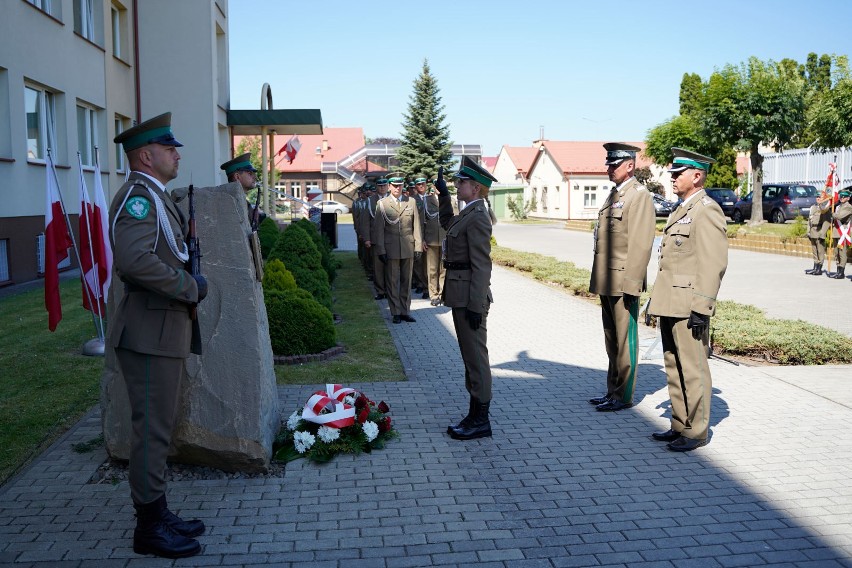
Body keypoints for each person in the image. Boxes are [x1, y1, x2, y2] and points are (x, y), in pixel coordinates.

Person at [110, 113, 207, 557]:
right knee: (151, 430)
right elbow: (134, 261)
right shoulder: (138, 199)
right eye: (170, 149)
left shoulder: (156, 196)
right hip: (150, 330)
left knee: (159, 428)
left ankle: (158, 509)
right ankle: (148, 529)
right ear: (146, 156)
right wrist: (189, 287)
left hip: (162, 329)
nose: (177, 154)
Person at [649, 147, 728, 452]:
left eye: (677, 174)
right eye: (672, 173)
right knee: (673, 365)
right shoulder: (681, 208)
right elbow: (668, 263)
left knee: (693, 369)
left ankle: (696, 432)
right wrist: (654, 302)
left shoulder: (706, 209)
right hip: (670, 302)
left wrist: (702, 306)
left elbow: (713, 262)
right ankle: (679, 423)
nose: (672, 178)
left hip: (689, 305)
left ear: (696, 176)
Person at [588, 143, 655, 412]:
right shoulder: (615, 195)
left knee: (625, 340)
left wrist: (632, 283)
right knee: (611, 339)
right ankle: (611, 390)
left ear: (630, 165)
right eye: (608, 164)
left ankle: (623, 395)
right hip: (607, 279)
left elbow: (641, 244)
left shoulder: (638, 196)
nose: (609, 169)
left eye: (614, 164)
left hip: (623, 281)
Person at [436, 157, 497, 441]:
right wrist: (444, 196)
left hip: (469, 298)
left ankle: (480, 419)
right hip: (460, 294)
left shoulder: (479, 217)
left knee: (476, 359)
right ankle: (474, 414)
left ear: (474, 188)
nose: (457, 184)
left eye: (460, 183)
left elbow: (482, 265)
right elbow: (448, 224)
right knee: (470, 358)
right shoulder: (468, 212)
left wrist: (475, 305)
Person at [372, 175, 422, 323]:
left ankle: (405, 311)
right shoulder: (382, 204)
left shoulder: (411, 202)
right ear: (389, 186)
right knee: (392, 281)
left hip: (408, 246)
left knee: (407, 281)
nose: (397, 188)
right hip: (390, 247)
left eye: (399, 185)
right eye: (394, 185)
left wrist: (418, 245)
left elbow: (417, 226)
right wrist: (380, 250)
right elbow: (379, 230)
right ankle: (395, 312)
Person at [417, 177, 446, 305]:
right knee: (432, 269)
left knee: (444, 269)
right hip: (431, 239)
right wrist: (422, 239)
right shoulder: (426, 201)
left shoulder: (448, 200)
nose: (439, 188)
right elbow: (421, 223)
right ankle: (434, 295)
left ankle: (443, 293)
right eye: (437, 186)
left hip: (445, 240)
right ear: (433, 187)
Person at [220, 153, 266, 226]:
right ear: (237, 177)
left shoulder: (244, 203)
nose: (255, 177)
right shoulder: (229, 201)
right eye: (250, 173)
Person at [364, 178, 389, 299]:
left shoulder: (393, 199)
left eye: (384, 185)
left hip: (391, 238)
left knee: (391, 267)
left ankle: (390, 290)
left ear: (388, 186)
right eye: (380, 186)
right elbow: (366, 221)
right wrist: (367, 238)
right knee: (378, 267)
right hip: (376, 239)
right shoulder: (371, 200)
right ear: (377, 187)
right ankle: (380, 291)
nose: (382, 188)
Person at [826, 189, 852, 279]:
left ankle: (841, 272)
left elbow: (839, 217)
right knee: (836, 252)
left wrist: (832, 213)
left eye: (844, 197)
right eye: (841, 196)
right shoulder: (838, 206)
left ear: (848, 198)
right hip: (836, 231)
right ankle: (838, 270)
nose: (842, 198)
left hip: (843, 232)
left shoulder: (848, 207)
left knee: (842, 252)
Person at [805, 191, 832, 275]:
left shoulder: (825, 209)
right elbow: (809, 220)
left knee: (820, 250)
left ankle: (819, 268)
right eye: (817, 197)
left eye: (819, 197)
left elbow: (827, 222)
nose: (818, 199)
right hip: (813, 230)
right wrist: (808, 231)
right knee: (814, 250)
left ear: (823, 199)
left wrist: (822, 233)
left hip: (819, 230)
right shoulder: (813, 207)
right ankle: (815, 266)